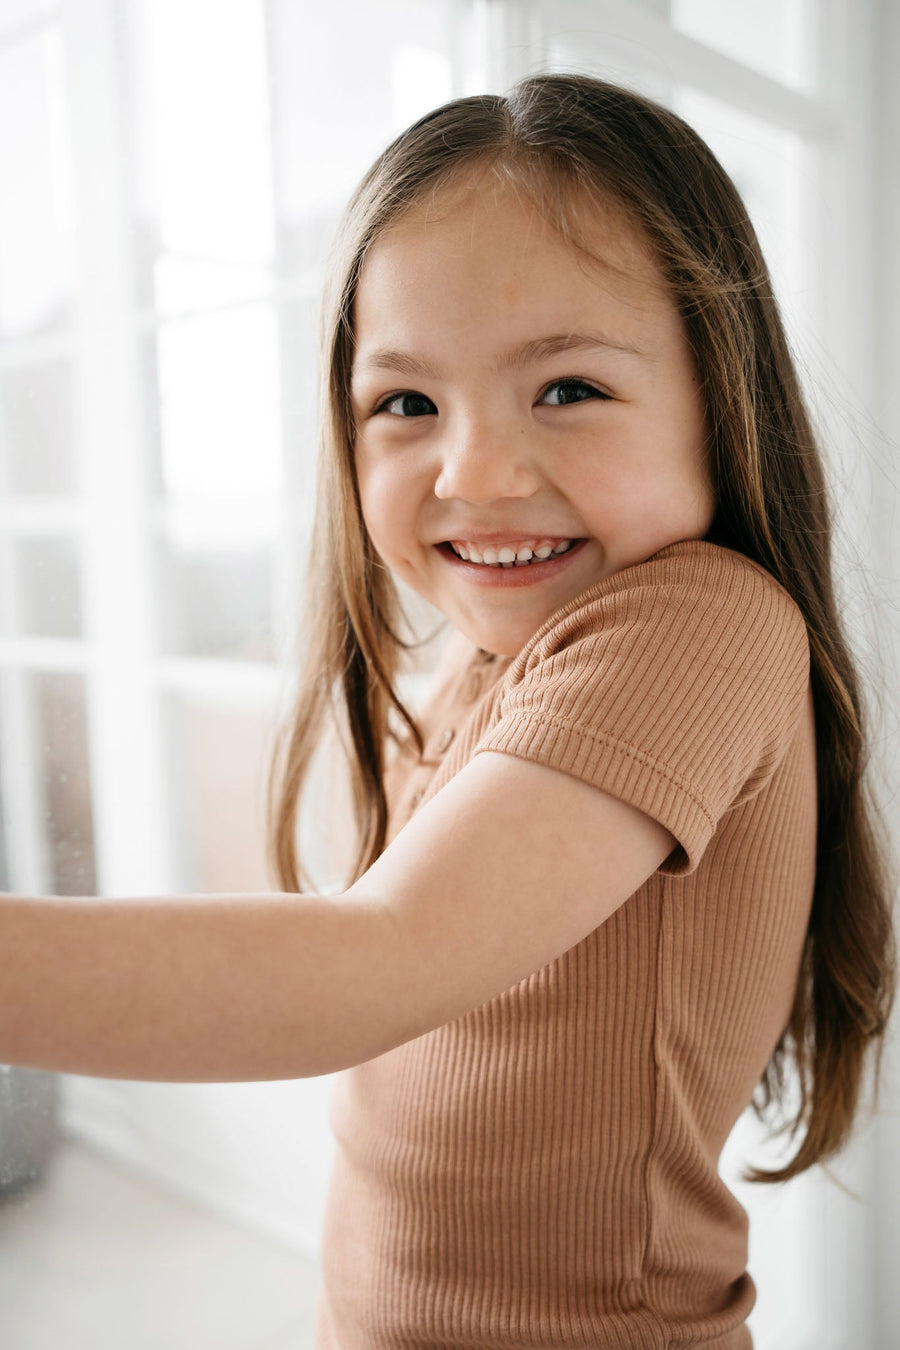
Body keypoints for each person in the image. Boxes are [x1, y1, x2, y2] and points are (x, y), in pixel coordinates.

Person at [0, 73, 895, 1348]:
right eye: (406, 404)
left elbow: (379, 960)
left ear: (722, 394)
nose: (475, 472)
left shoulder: (701, 623)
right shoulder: (500, 660)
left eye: (569, 388)